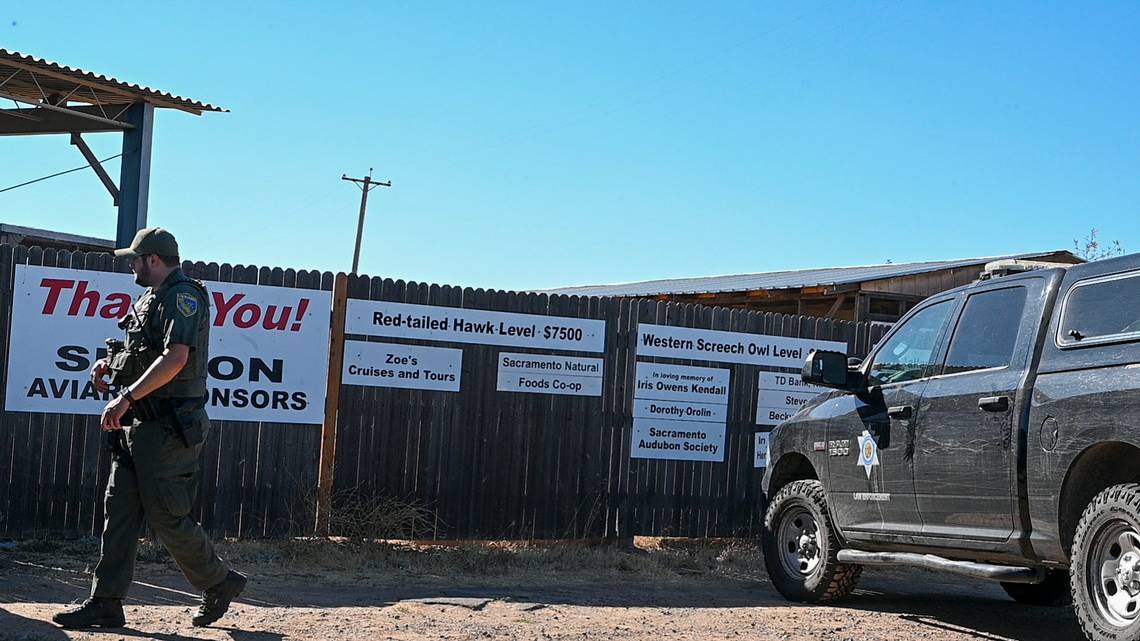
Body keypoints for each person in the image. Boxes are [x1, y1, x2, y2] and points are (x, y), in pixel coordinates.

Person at [52, 227, 246, 629]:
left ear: (153, 259)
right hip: (137, 425)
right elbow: (141, 349)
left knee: (167, 518)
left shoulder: (183, 296)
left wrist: (126, 398)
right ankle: (105, 601)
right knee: (118, 511)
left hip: (169, 427)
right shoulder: (150, 298)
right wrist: (109, 365)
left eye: (135, 260)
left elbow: (175, 358)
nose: (132, 266)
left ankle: (220, 581)